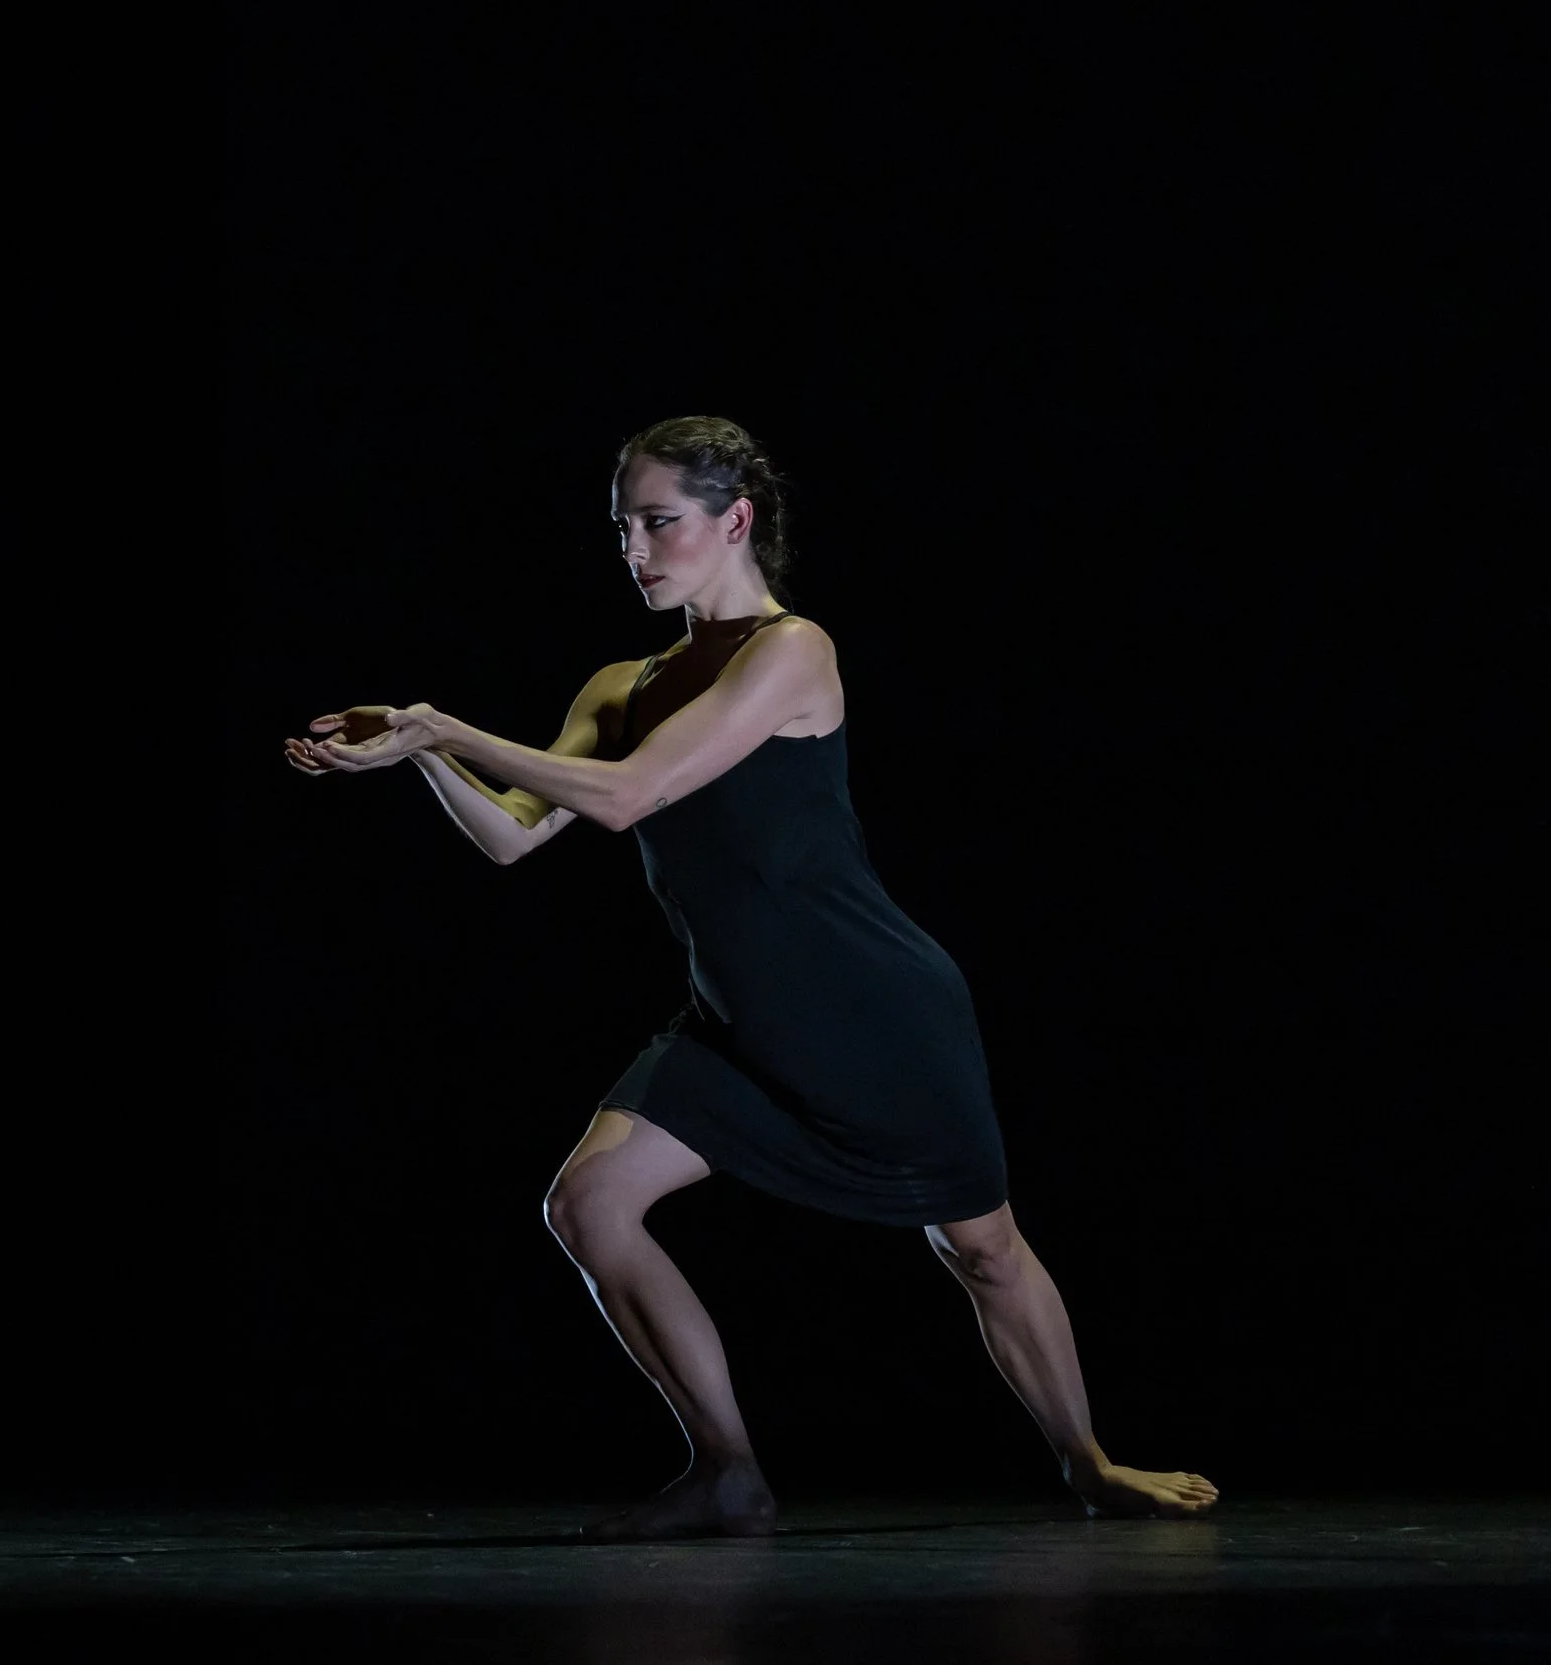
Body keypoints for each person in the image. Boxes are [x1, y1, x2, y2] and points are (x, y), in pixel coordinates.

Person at [286, 416, 1218, 1539]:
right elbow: (513, 835)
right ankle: (727, 1469)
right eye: (622, 528)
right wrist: (420, 750)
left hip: (871, 1007)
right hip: (734, 1018)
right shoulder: (622, 683)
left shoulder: (793, 651)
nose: (635, 550)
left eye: (659, 522)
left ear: (735, 520)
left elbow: (629, 796)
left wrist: (445, 723)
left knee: (980, 1248)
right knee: (589, 1204)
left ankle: (1089, 1463)